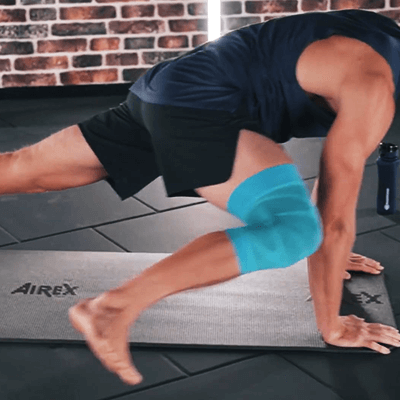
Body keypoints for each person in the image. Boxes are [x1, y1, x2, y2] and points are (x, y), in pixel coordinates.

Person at [2, 9, 400, 386]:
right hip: (203, 105)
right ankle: (110, 308)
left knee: (26, 169)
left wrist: (329, 250)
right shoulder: (375, 89)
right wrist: (331, 322)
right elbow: (334, 220)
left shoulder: (377, 36)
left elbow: (333, 188)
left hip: (166, 87)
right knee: (293, 232)